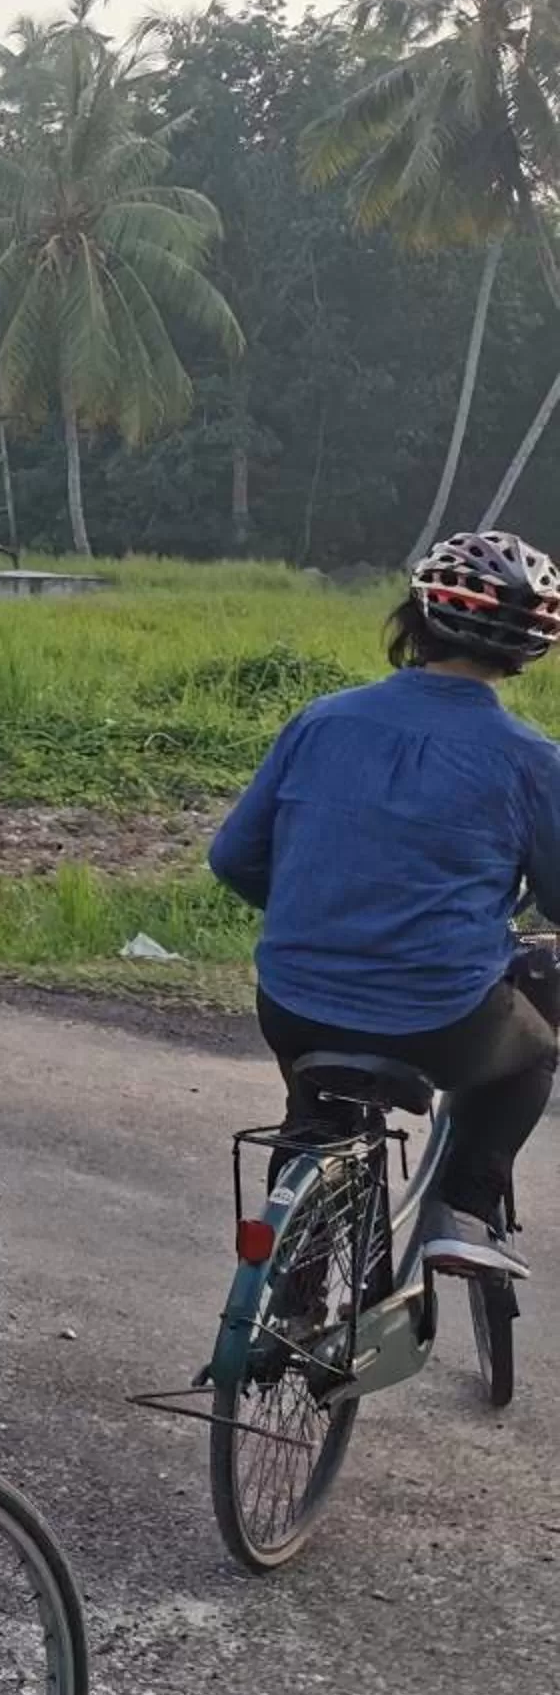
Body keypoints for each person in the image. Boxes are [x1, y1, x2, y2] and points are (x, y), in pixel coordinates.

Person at [211, 529, 560, 1278]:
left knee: (313, 1119)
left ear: (417, 616)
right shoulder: (532, 760)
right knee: (534, 1050)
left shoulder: (322, 720)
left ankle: (288, 1294)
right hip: (442, 1022)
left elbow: (232, 857)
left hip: (294, 1003)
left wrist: (314, 913)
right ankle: (464, 1208)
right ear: (528, 649)